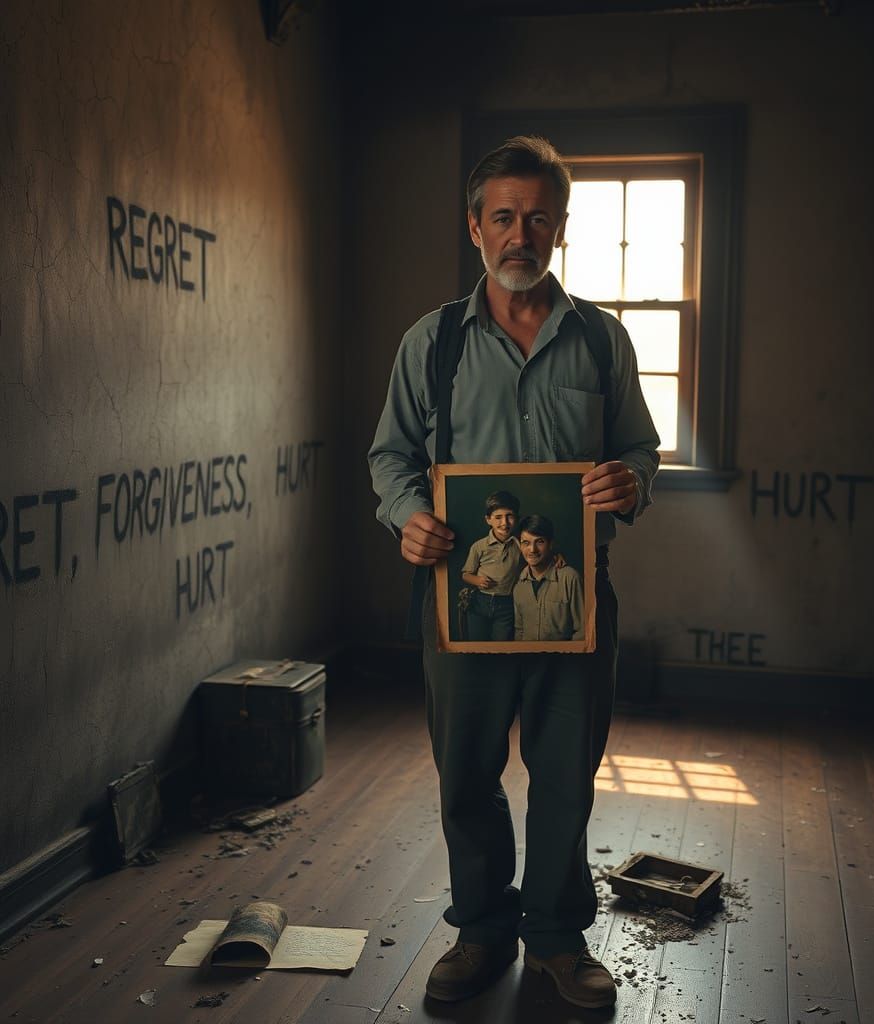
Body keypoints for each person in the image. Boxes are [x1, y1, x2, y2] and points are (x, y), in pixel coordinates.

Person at [368, 134, 660, 1010]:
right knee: (466, 771)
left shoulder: (602, 343)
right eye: (503, 217)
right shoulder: (433, 344)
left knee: (566, 768)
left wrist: (630, 480)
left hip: (571, 599)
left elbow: (641, 447)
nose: (519, 234)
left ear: (560, 228)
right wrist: (407, 516)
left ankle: (560, 939)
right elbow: (390, 456)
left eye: (537, 217)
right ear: (475, 227)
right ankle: (483, 931)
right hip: (463, 602)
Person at [460, 490, 521, 641]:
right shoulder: (479, 546)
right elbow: (465, 574)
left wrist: (556, 556)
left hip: (506, 603)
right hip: (480, 602)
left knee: (501, 645)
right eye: (498, 517)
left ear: (517, 518)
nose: (504, 523)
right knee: (477, 642)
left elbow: (538, 554)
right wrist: (477, 580)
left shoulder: (520, 544)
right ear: (488, 519)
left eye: (510, 516)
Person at [513, 514, 584, 642]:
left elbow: (582, 630)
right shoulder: (519, 586)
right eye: (526, 543)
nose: (532, 549)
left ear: (551, 544)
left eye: (539, 542)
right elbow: (519, 631)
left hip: (562, 659)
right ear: (520, 545)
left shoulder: (570, 578)